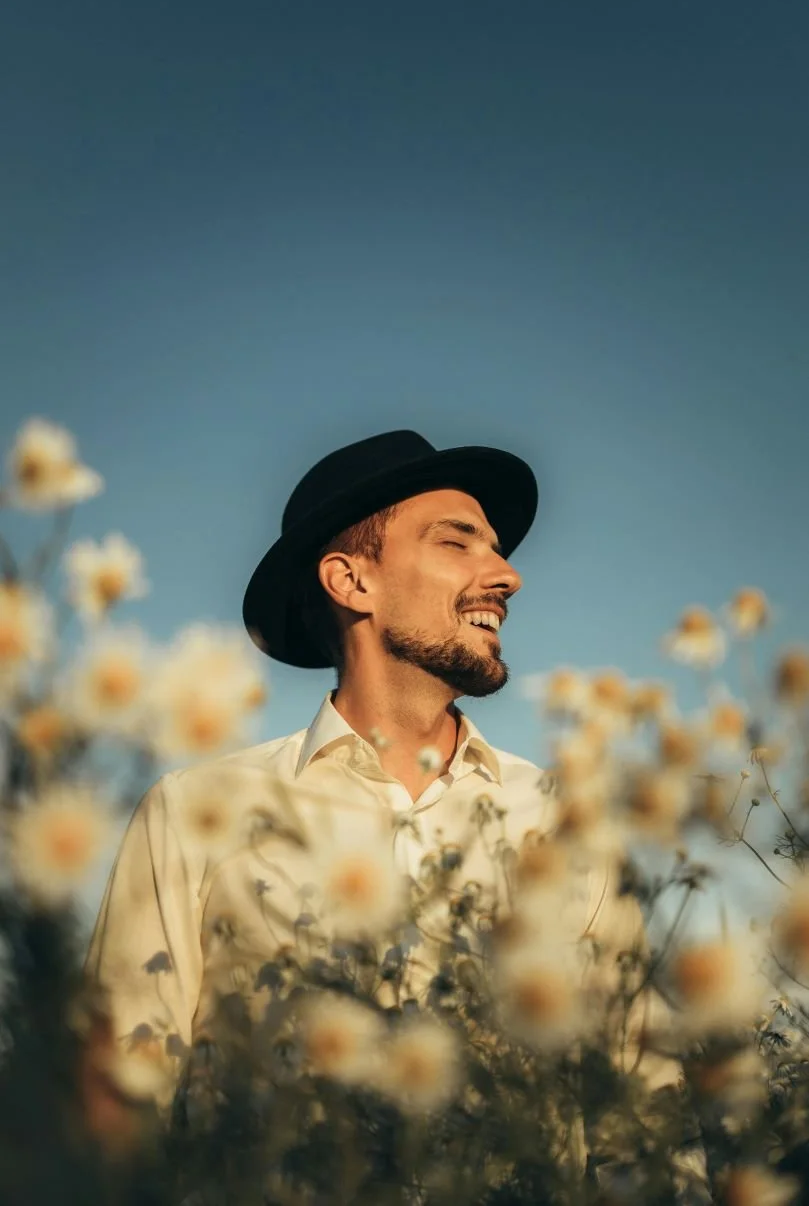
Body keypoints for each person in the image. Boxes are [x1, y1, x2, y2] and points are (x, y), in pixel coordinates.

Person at [83, 429, 692, 1176]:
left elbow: (640, 1107)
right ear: (351, 582)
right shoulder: (195, 810)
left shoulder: (564, 821)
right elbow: (115, 1102)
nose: (506, 576)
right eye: (458, 542)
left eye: (496, 549)